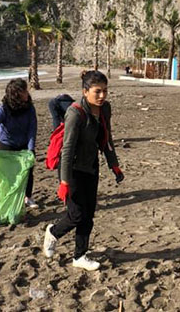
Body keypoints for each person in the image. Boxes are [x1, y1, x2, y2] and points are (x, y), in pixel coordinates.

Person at [43, 70, 124, 271]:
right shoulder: (75, 112)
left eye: (105, 91)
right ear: (85, 91)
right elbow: (67, 149)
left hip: (91, 167)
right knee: (76, 214)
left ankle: (79, 256)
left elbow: (107, 139)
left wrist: (113, 164)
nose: (102, 96)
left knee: (88, 214)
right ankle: (53, 232)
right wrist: (64, 182)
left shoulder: (105, 109)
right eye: (97, 92)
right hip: (72, 168)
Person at [0, 78, 38, 208]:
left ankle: (27, 197)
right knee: (8, 174)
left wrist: (30, 149)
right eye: (24, 91)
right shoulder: (4, 109)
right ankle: (7, 196)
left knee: (27, 171)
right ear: (16, 94)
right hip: (7, 144)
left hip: (24, 143)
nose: (27, 93)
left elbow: (32, 129)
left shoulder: (29, 108)